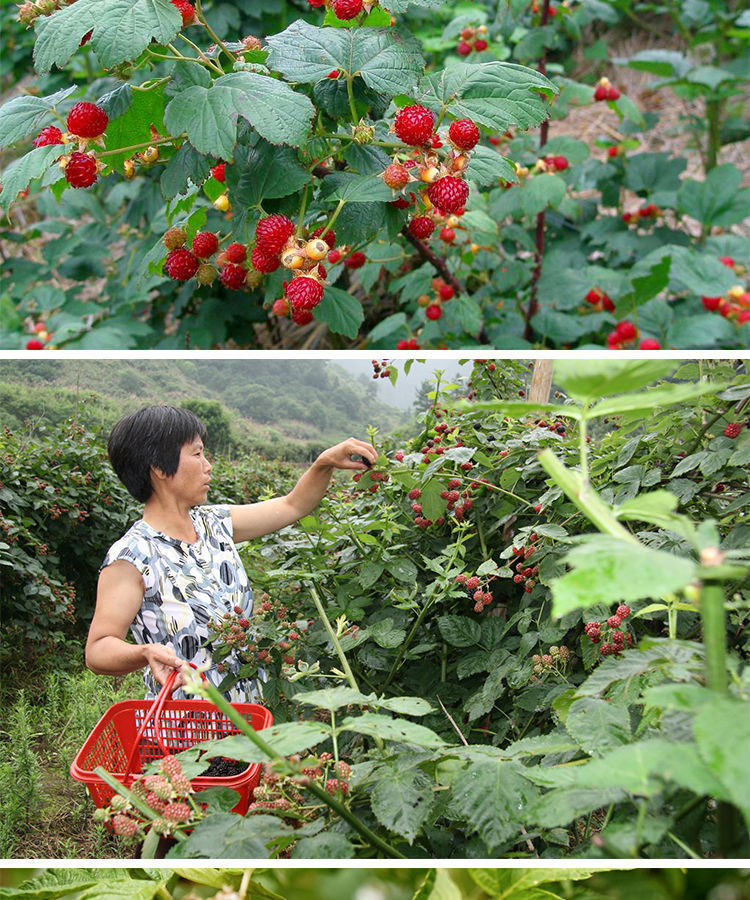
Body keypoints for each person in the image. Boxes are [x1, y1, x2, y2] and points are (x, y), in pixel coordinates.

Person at [85, 405, 377, 701]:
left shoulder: (214, 523)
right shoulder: (133, 556)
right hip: (189, 728)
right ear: (159, 468)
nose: (208, 465)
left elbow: (293, 506)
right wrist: (144, 652)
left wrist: (324, 463)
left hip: (251, 712)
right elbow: (98, 650)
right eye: (197, 454)